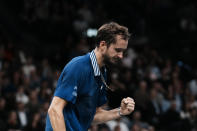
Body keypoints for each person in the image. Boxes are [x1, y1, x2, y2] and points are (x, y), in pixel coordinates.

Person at [45, 22, 135, 131]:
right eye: (117, 50)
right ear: (102, 45)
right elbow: (54, 109)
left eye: (123, 51)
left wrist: (120, 111)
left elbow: (93, 116)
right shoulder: (78, 66)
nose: (121, 56)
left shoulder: (102, 72)